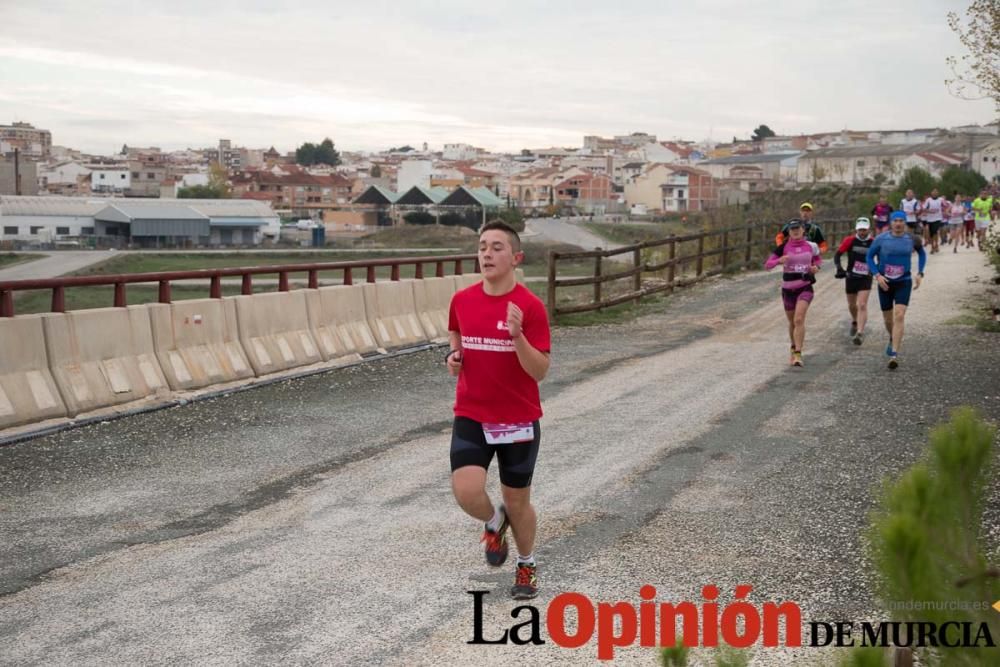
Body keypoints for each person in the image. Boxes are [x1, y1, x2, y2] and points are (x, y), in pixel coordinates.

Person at [446, 220, 551, 600]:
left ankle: (526, 564)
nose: (487, 254)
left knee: (518, 501)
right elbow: (455, 333)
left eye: (497, 247)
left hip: (518, 419)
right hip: (472, 411)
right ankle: (494, 522)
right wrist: (453, 356)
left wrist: (517, 336)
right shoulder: (462, 299)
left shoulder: (529, 307)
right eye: (482, 246)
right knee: (465, 490)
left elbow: (539, 370)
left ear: (516, 257)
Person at [866, 211, 926, 369]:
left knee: (899, 315)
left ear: (905, 223)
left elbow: (922, 253)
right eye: (895, 221)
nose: (898, 224)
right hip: (885, 283)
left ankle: (894, 354)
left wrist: (920, 272)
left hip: (903, 282)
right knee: (888, 319)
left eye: (901, 221)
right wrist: (877, 275)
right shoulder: (881, 239)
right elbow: (869, 257)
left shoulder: (911, 239)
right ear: (891, 223)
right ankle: (892, 338)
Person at [766, 219, 821, 367]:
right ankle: (793, 346)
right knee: (792, 322)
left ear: (803, 230)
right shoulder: (783, 247)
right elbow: (767, 265)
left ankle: (798, 353)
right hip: (788, 289)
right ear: (789, 231)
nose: (795, 231)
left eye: (798, 228)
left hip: (805, 287)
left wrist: (816, 267)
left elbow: (817, 259)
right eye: (792, 229)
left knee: (798, 319)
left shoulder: (811, 246)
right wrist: (779, 261)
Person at [834, 217, 874, 345]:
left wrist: (877, 270)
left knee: (862, 305)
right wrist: (840, 269)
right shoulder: (850, 241)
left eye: (864, 229)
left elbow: (881, 256)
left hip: (866, 277)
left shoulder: (873, 242)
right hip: (851, 276)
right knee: (852, 305)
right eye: (860, 229)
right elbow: (837, 254)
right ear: (856, 229)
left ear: (869, 229)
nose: (862, 232)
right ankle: (855, 321)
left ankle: (860, 333)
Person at [921, 188, 946, 253]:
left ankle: (936, 245)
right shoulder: (928, 200)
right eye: (933, 192)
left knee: (935, 231)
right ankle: (933, 246)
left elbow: (946, 206)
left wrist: (945, 211)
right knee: (931, 233)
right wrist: (930, 211)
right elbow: (924, 209)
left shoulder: (941, 199)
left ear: (938, 193)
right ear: (931, 193)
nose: (935, 193)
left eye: (936, 192)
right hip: (930, 219)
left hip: (938, 218)